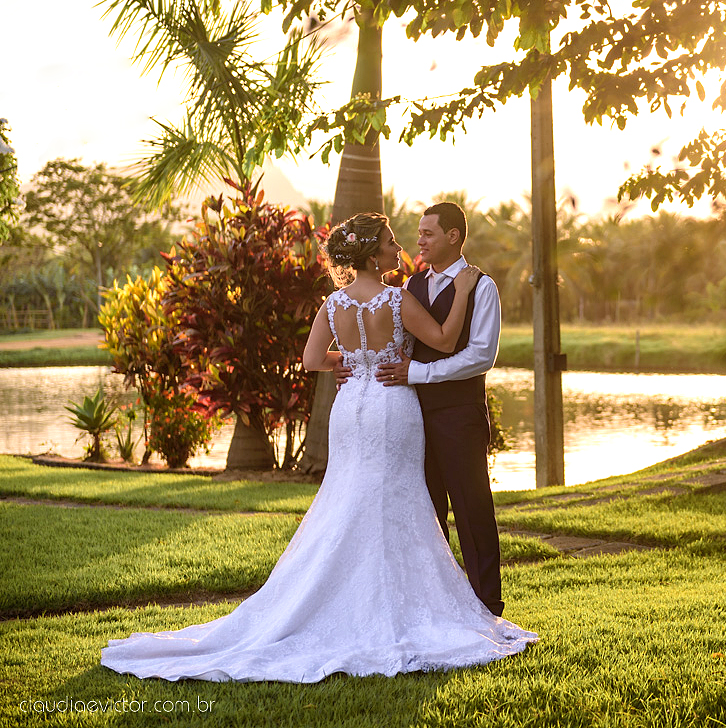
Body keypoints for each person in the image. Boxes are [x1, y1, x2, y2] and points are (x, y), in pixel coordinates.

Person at [100, 213, 536, 683]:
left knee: (349, 496)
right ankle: (407, 601)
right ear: (373, 255)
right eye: (392, 243)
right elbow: (447, 338)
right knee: (400, 498)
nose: (403, 248)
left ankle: (334, 595)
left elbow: (311, 360)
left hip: (351, 409)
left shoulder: (334, 302)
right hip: (392, 405)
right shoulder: (398, 298)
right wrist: (461, 295)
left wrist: (349, 361)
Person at [369, 202, 506, 617]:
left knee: (472, 509)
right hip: (412, 415)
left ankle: (488, 607)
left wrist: (420, 374)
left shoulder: (481, 286)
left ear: (453, 236)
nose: (419, 240)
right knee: (426, 512)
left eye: (428, 233)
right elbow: (400, 346)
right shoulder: (411, 285)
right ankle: (440, 606)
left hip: (459, 415)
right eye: (419, 233)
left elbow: (481, 355)